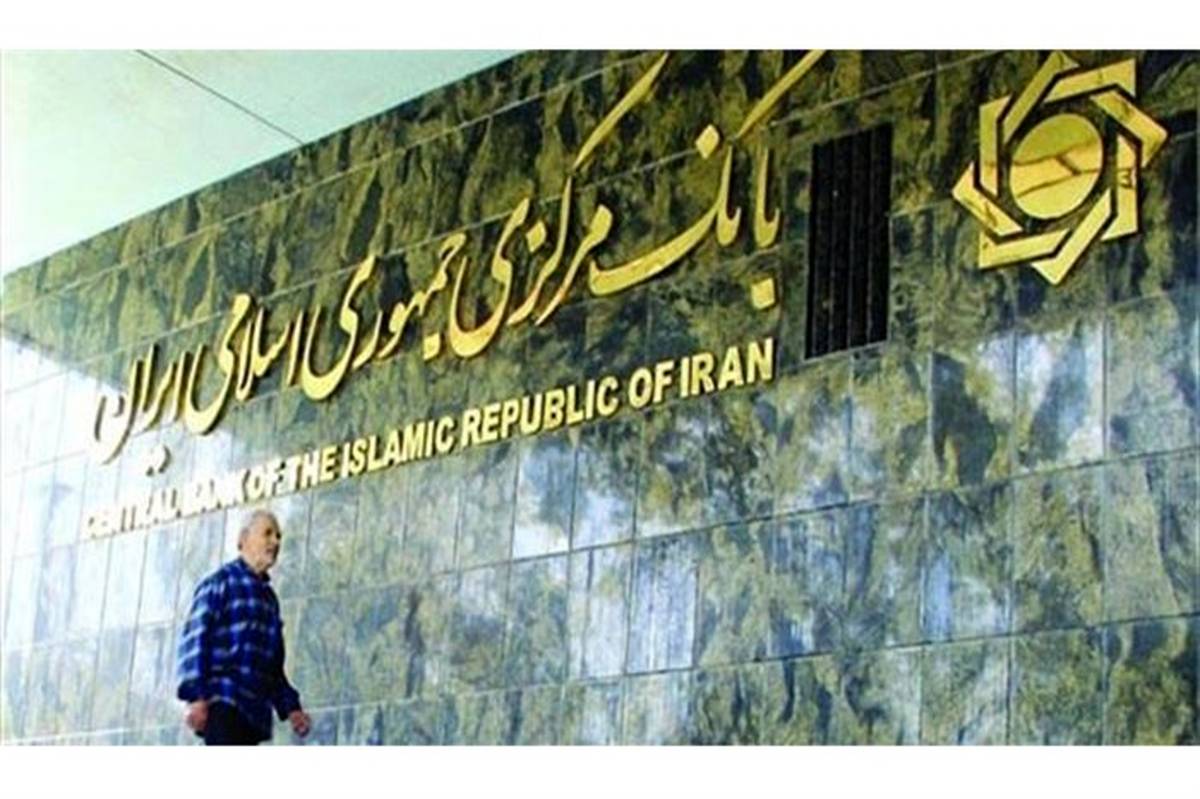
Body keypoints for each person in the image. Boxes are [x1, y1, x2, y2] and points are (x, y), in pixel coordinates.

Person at [176, 509, 311, 745]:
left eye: (278, 536)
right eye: (267, 533)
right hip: (224, 703)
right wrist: (196, 696)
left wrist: (292, 708)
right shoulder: (220, 583)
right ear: (243, 539)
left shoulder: (269, 601)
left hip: (254, 717)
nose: (275, 542)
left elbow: (272, 668)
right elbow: (196, 640)